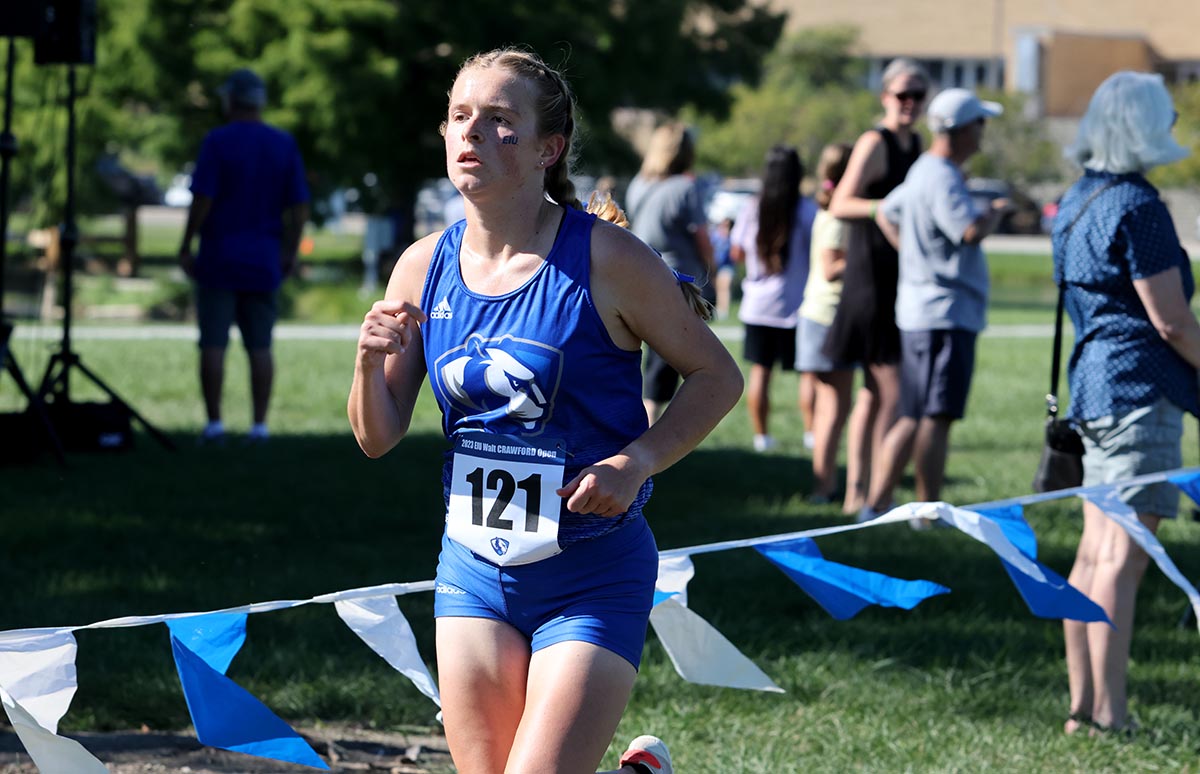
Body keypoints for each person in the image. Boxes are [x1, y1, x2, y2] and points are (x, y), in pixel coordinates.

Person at [347, 48, 741, 773]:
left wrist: (637, 459)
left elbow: (717, 375)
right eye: (460, 116)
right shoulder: (420, 265)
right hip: (472, 568)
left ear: (545, 148)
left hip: (592, 569)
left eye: (499, 120)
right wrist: (369, 358)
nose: (470, 134)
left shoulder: (607, 258)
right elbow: (376, 438)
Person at [1052, 71, 1198, 736]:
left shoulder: (1080, 197)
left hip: (1093, 387)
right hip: (1140, 390)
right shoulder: (1139, 205)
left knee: (1093, 553)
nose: (1172, 130)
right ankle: (1111, 715)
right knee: (1124, 556)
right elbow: (1171, 322)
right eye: (1164, 118)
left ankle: (1083, 710)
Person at [865, 88, 1009, 524]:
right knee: (933, 415)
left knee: (915, 411)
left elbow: (887, 212)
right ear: (962, 130)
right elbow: (968, 231)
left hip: (923, 309)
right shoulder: (943, 175)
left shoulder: (922, 170)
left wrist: (911, 252)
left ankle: (879, 503)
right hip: (943, 312)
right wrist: (995, 212)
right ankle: (924, 512)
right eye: (979, 125)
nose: (982, 134)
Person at [178, 68, 310, 445]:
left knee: (213, 343)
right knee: (261, 346)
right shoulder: (282, 144)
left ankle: (215, 424)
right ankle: (259, 426)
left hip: (218, 257)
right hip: (264, 258)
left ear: (230, 101)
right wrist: (290, 249)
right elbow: (299, 207)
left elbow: (202, 199)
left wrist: (187, 242)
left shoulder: (217, 142)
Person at [825, 58, 929, 514]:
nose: (910, 103)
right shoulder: (875, 141)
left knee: (870, 393)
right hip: (870, 278)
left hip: (899, 276)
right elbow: (841, 202)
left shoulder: (917, 143)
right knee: (889, 391)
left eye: (918, 96)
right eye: (902, 94)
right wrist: (883, 210)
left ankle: (857, 495)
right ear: (885, 96)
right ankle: (871, 498)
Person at [625, 122, 717, 423]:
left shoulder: (640, 183)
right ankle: (651, 434)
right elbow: (702, 238)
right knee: (673, 367)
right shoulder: (686, 187)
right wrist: (712, 270)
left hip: (637, 276)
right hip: (677, 282)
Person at [729, 145, 817, 453]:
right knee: (808, 373)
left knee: (761, 373)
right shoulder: (807, 210)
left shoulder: (752, 208)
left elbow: (736, 251)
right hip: (799, 304)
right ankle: (811, 434)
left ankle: (761, 437)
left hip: (758, 306)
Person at [796, 143, 855, 503]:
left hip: (816, 314)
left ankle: (824, 483)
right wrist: (864, 257)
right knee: (835, 408)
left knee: (827, 407)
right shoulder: (837, 215)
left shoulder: (825, 208)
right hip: (828, 316)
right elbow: (832, 268)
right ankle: (824, 485)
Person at [709, 216, 737, 320]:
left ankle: (723, 311)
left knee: (724, 288)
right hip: (715, 266)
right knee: (717, 289)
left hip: (727, 266)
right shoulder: (715, 236)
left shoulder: (733, 237)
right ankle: (717, 309)